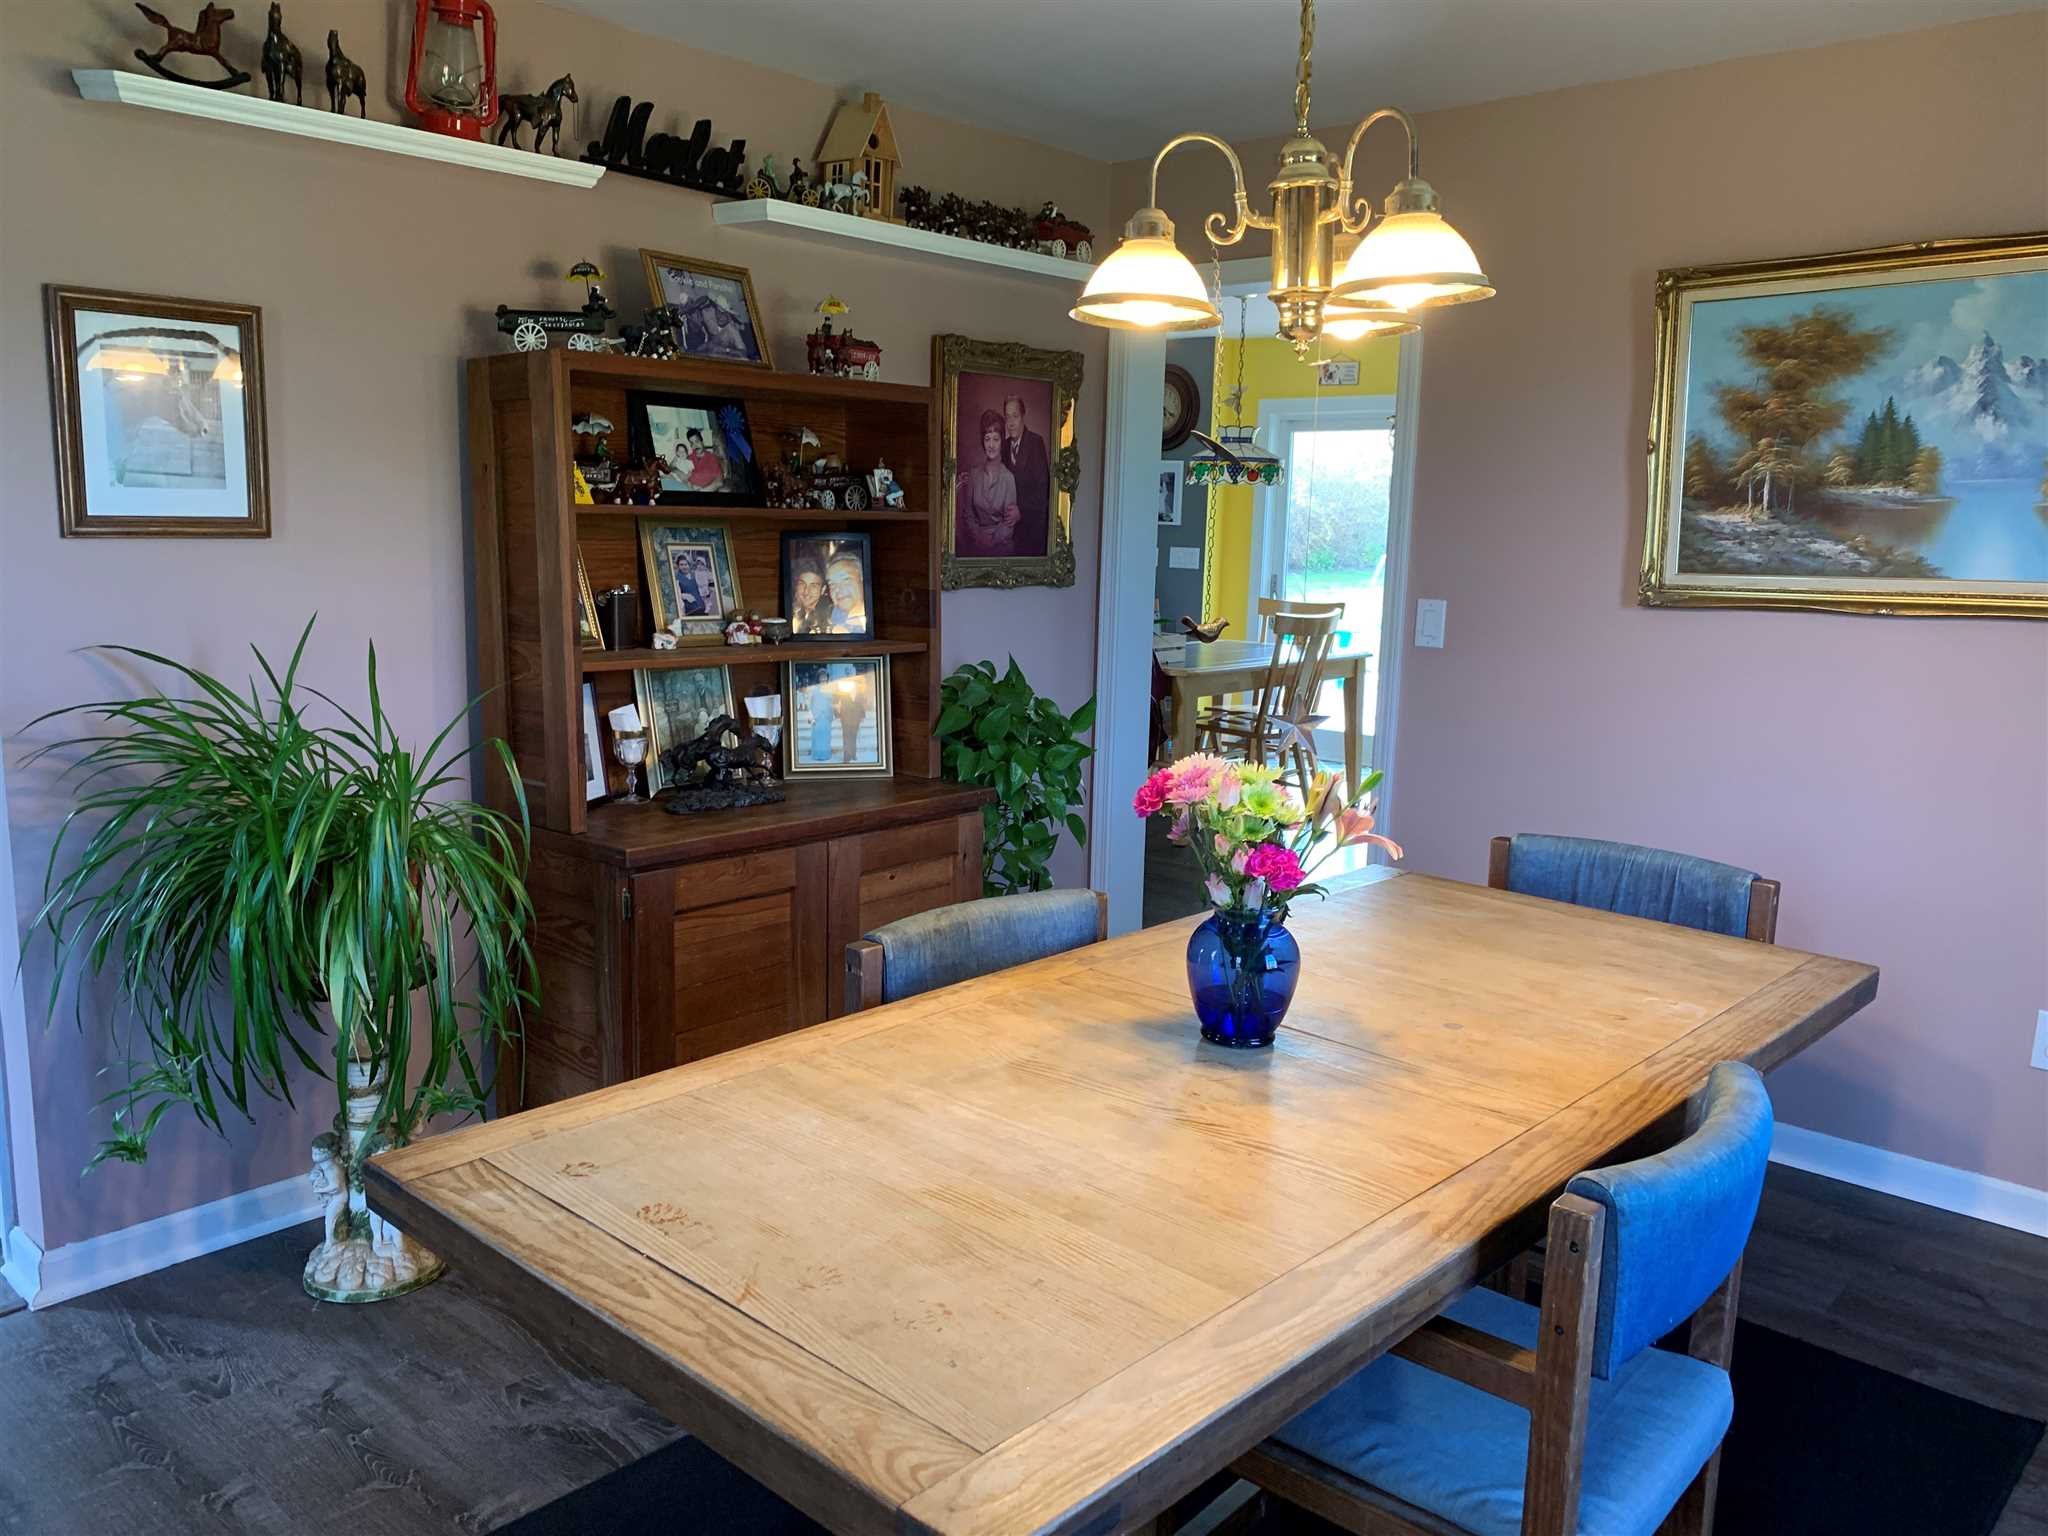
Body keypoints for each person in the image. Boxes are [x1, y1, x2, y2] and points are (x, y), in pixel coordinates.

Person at [958, 409, 1019, 555]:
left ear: (1002, 442)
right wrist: (978, 537)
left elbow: (1009, 523)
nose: (991, 445)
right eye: (987, 438)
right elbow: (968, 515)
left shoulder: (1009, 478)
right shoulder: (974, 474)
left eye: (996, 439)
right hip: (976, 544)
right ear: (982, 441)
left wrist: (991, 541)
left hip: (1002, 547)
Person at [1002, 393, 1051, 553]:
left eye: (1015, 416)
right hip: (1007, 529)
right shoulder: (1003, 445)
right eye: (1007, 417)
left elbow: (1044, 490)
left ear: (1023, 416)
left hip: (1031, 528)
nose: (1010, 423)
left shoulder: (1035, 443)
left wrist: (1021, 510)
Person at [825, 553, 867, 634]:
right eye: (832, 584)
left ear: (862, 580)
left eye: (846, 580)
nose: (838, 589)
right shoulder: (835, 615)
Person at [790, 561, 832, 634]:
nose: (806, 591)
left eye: (813, 586)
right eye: (802, 584)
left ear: (823, 590)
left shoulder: (831, 616)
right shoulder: (790, 611)